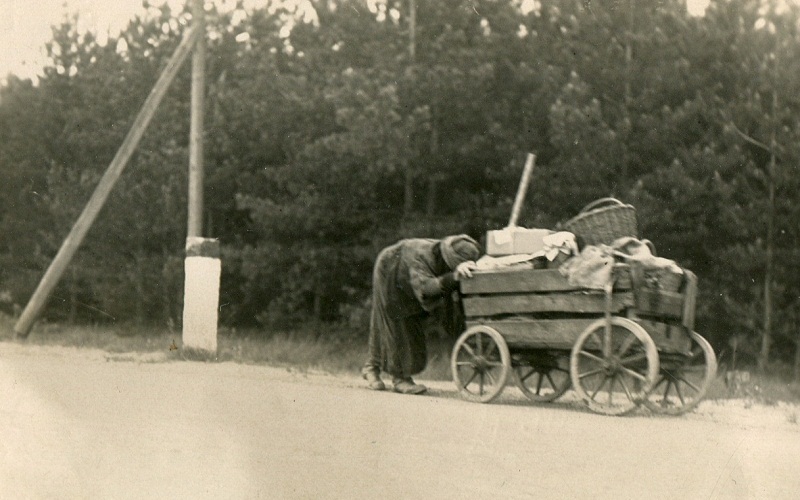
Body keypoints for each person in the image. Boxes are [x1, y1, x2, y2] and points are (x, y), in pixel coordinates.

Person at [361, 234, 481, 394]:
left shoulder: (444, 253)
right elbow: (427, 288)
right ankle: (400, 379)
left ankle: (371, 368)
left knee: (386, 319)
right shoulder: (420, 256)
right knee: (397, 319)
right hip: (390, 267)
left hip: (406, 275)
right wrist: (454, 277)